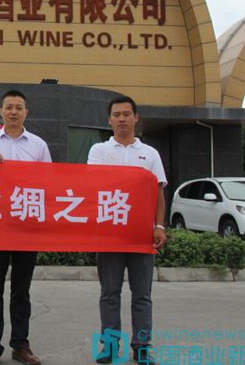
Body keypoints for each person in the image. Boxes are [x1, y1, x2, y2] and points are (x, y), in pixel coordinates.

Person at [0, 90, 51, 365]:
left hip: (26, 224)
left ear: (26, 112)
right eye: (9, 107)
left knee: (21, 289)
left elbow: (48, 182)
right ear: (1, 111)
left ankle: (20, 345)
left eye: (19, 107)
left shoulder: (39, 145)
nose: (14, 112)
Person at [87, 95, 167, 364]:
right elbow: (95, 186)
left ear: (136, 117)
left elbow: (158, 194)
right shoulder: (99, 151)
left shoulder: (150, 154)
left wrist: (159, 226)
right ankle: (109, 347)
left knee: (142, 295)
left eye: (126, 114)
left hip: (141, 235)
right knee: (109, 294)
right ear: (109, 120)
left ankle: (142, 347)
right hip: (109, 234)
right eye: (116, 115)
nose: (122, 119)